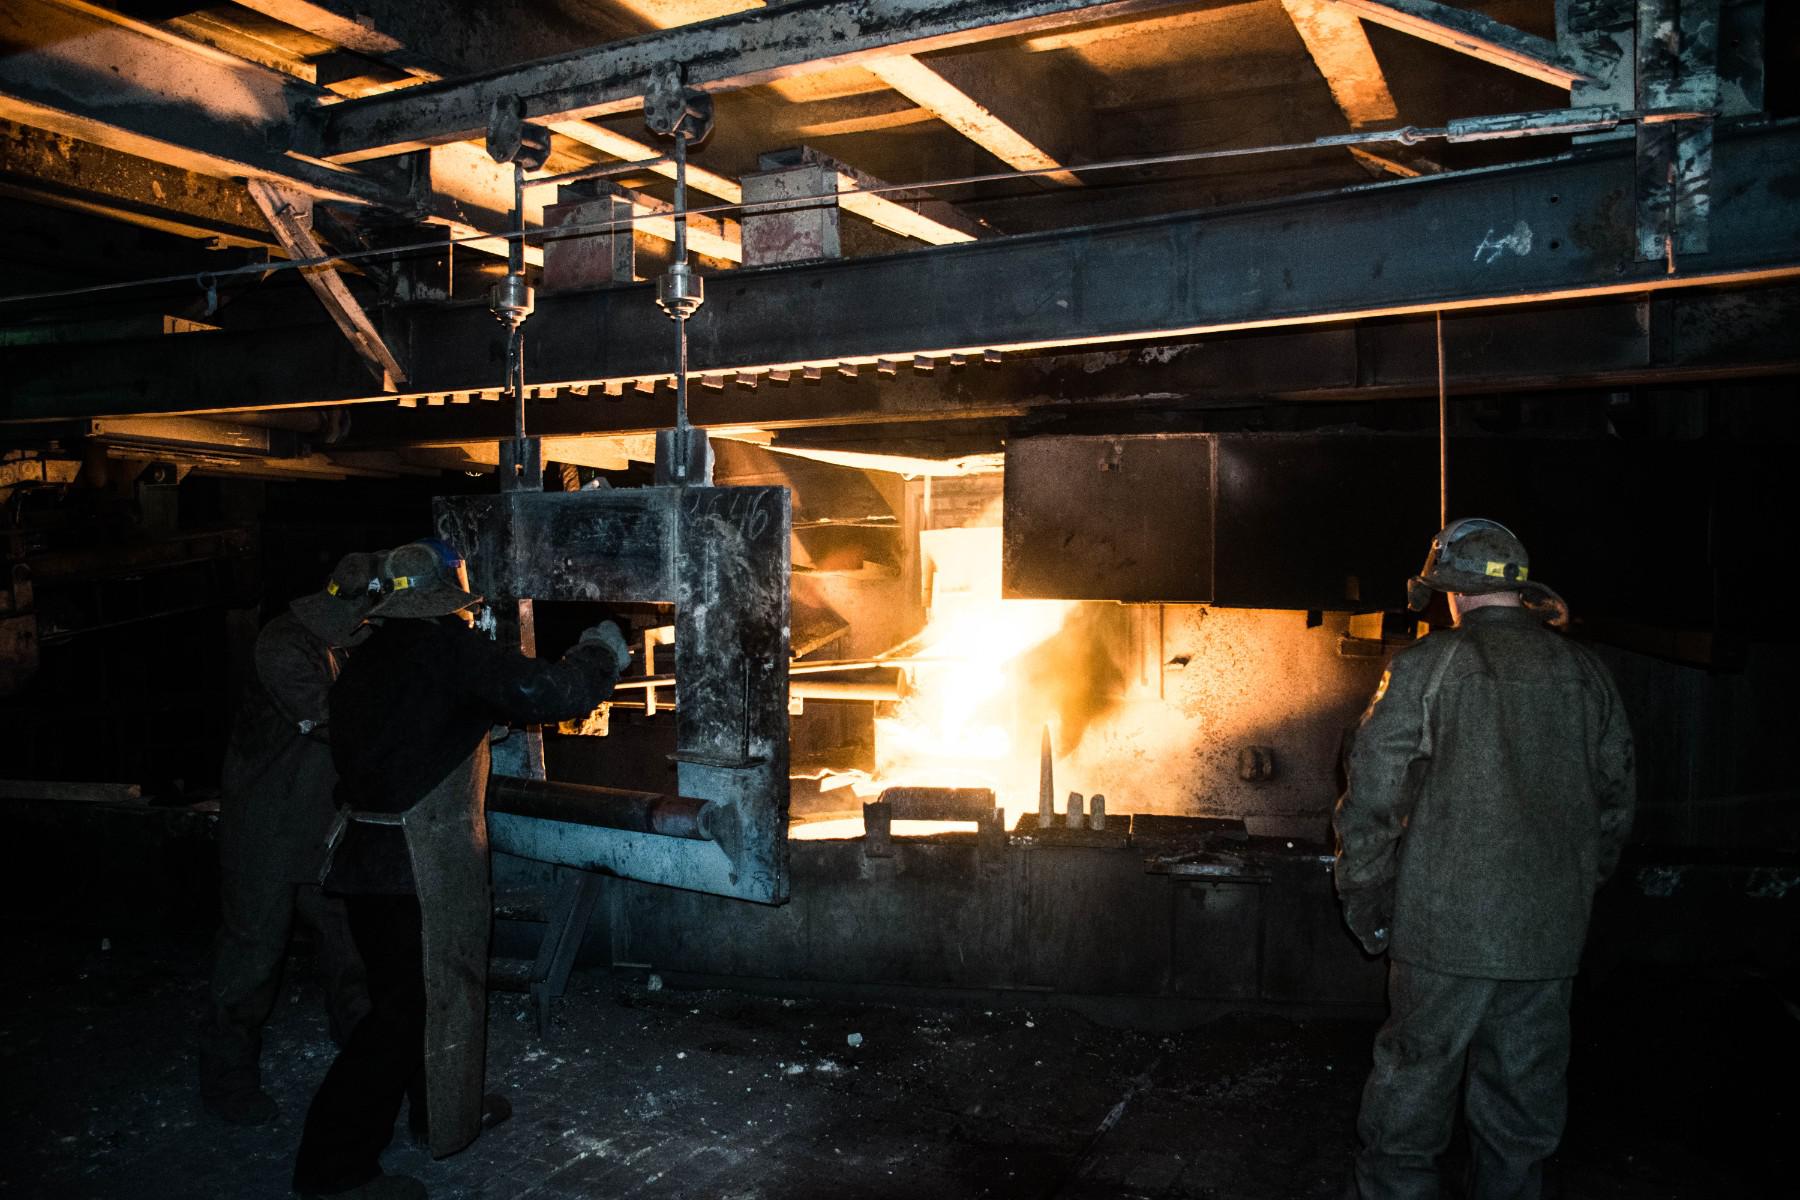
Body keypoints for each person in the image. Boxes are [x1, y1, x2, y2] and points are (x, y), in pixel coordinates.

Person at [292, 538, 632, 1200]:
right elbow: (547, 690)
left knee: (424, 998)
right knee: (403, 1015)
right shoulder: (448, 650)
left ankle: (440, 1115)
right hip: (415, 865)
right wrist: (598, 652)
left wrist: (465, 722)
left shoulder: (369, 657)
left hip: (365, 860)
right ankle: (333, 1169)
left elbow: (406, 733)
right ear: (449, 594)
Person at [1335, 518, 1636, 1200]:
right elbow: (1616, 803)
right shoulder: (1586, 673)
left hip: (1442, 930)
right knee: (1521, 1118)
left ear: (1452, 592)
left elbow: (1373, 798)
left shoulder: (1427, 665)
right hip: (1547, 936)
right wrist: (1570, 893)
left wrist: (1368, 900)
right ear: (1521, 591)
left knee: (1410, 1102)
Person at [199, 551, 383, 1125]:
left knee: (351, 952)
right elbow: (333, 720)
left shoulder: (367, 638)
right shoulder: (282, 644)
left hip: (328, 825)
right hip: (266, 828)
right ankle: (227, 1077)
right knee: (252, 956)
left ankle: (366, 1057)